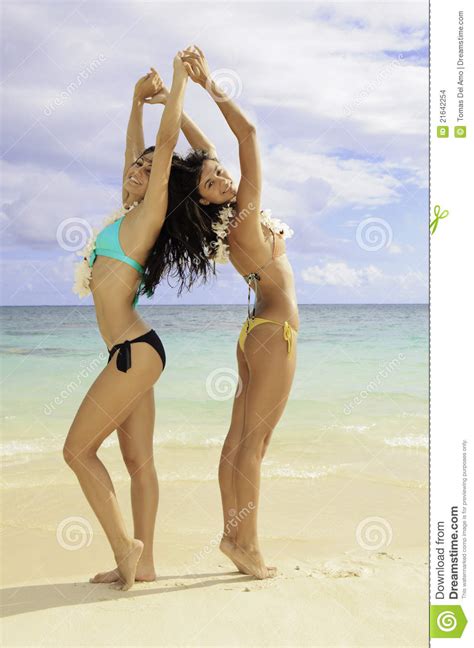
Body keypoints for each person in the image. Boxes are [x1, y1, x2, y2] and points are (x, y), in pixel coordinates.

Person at [65, 51, 191, 591]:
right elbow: (133, 150)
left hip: (134, 351)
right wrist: (134, 100)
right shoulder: (123, 212)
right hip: (137, 351)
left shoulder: (147, 216)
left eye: (146, 169)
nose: (138, 171)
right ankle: (146, 564)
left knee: (75, 451)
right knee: (137, 460)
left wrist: (182, 79)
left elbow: (163, 149)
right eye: (134, 169)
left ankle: (125, 547)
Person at [172, 46, 299, 579]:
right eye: (211, 184)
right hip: (273, 332)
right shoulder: (242, 219)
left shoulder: (225, 217)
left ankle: (232, 536)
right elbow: (247, 137)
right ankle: (246, 546)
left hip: (256, 333)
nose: (223, 180)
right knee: (254, 446)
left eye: (222, 175)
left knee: (239, 442)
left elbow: (211, 155)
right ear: (203, 201)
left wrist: (174, 107)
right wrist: (205, 84)